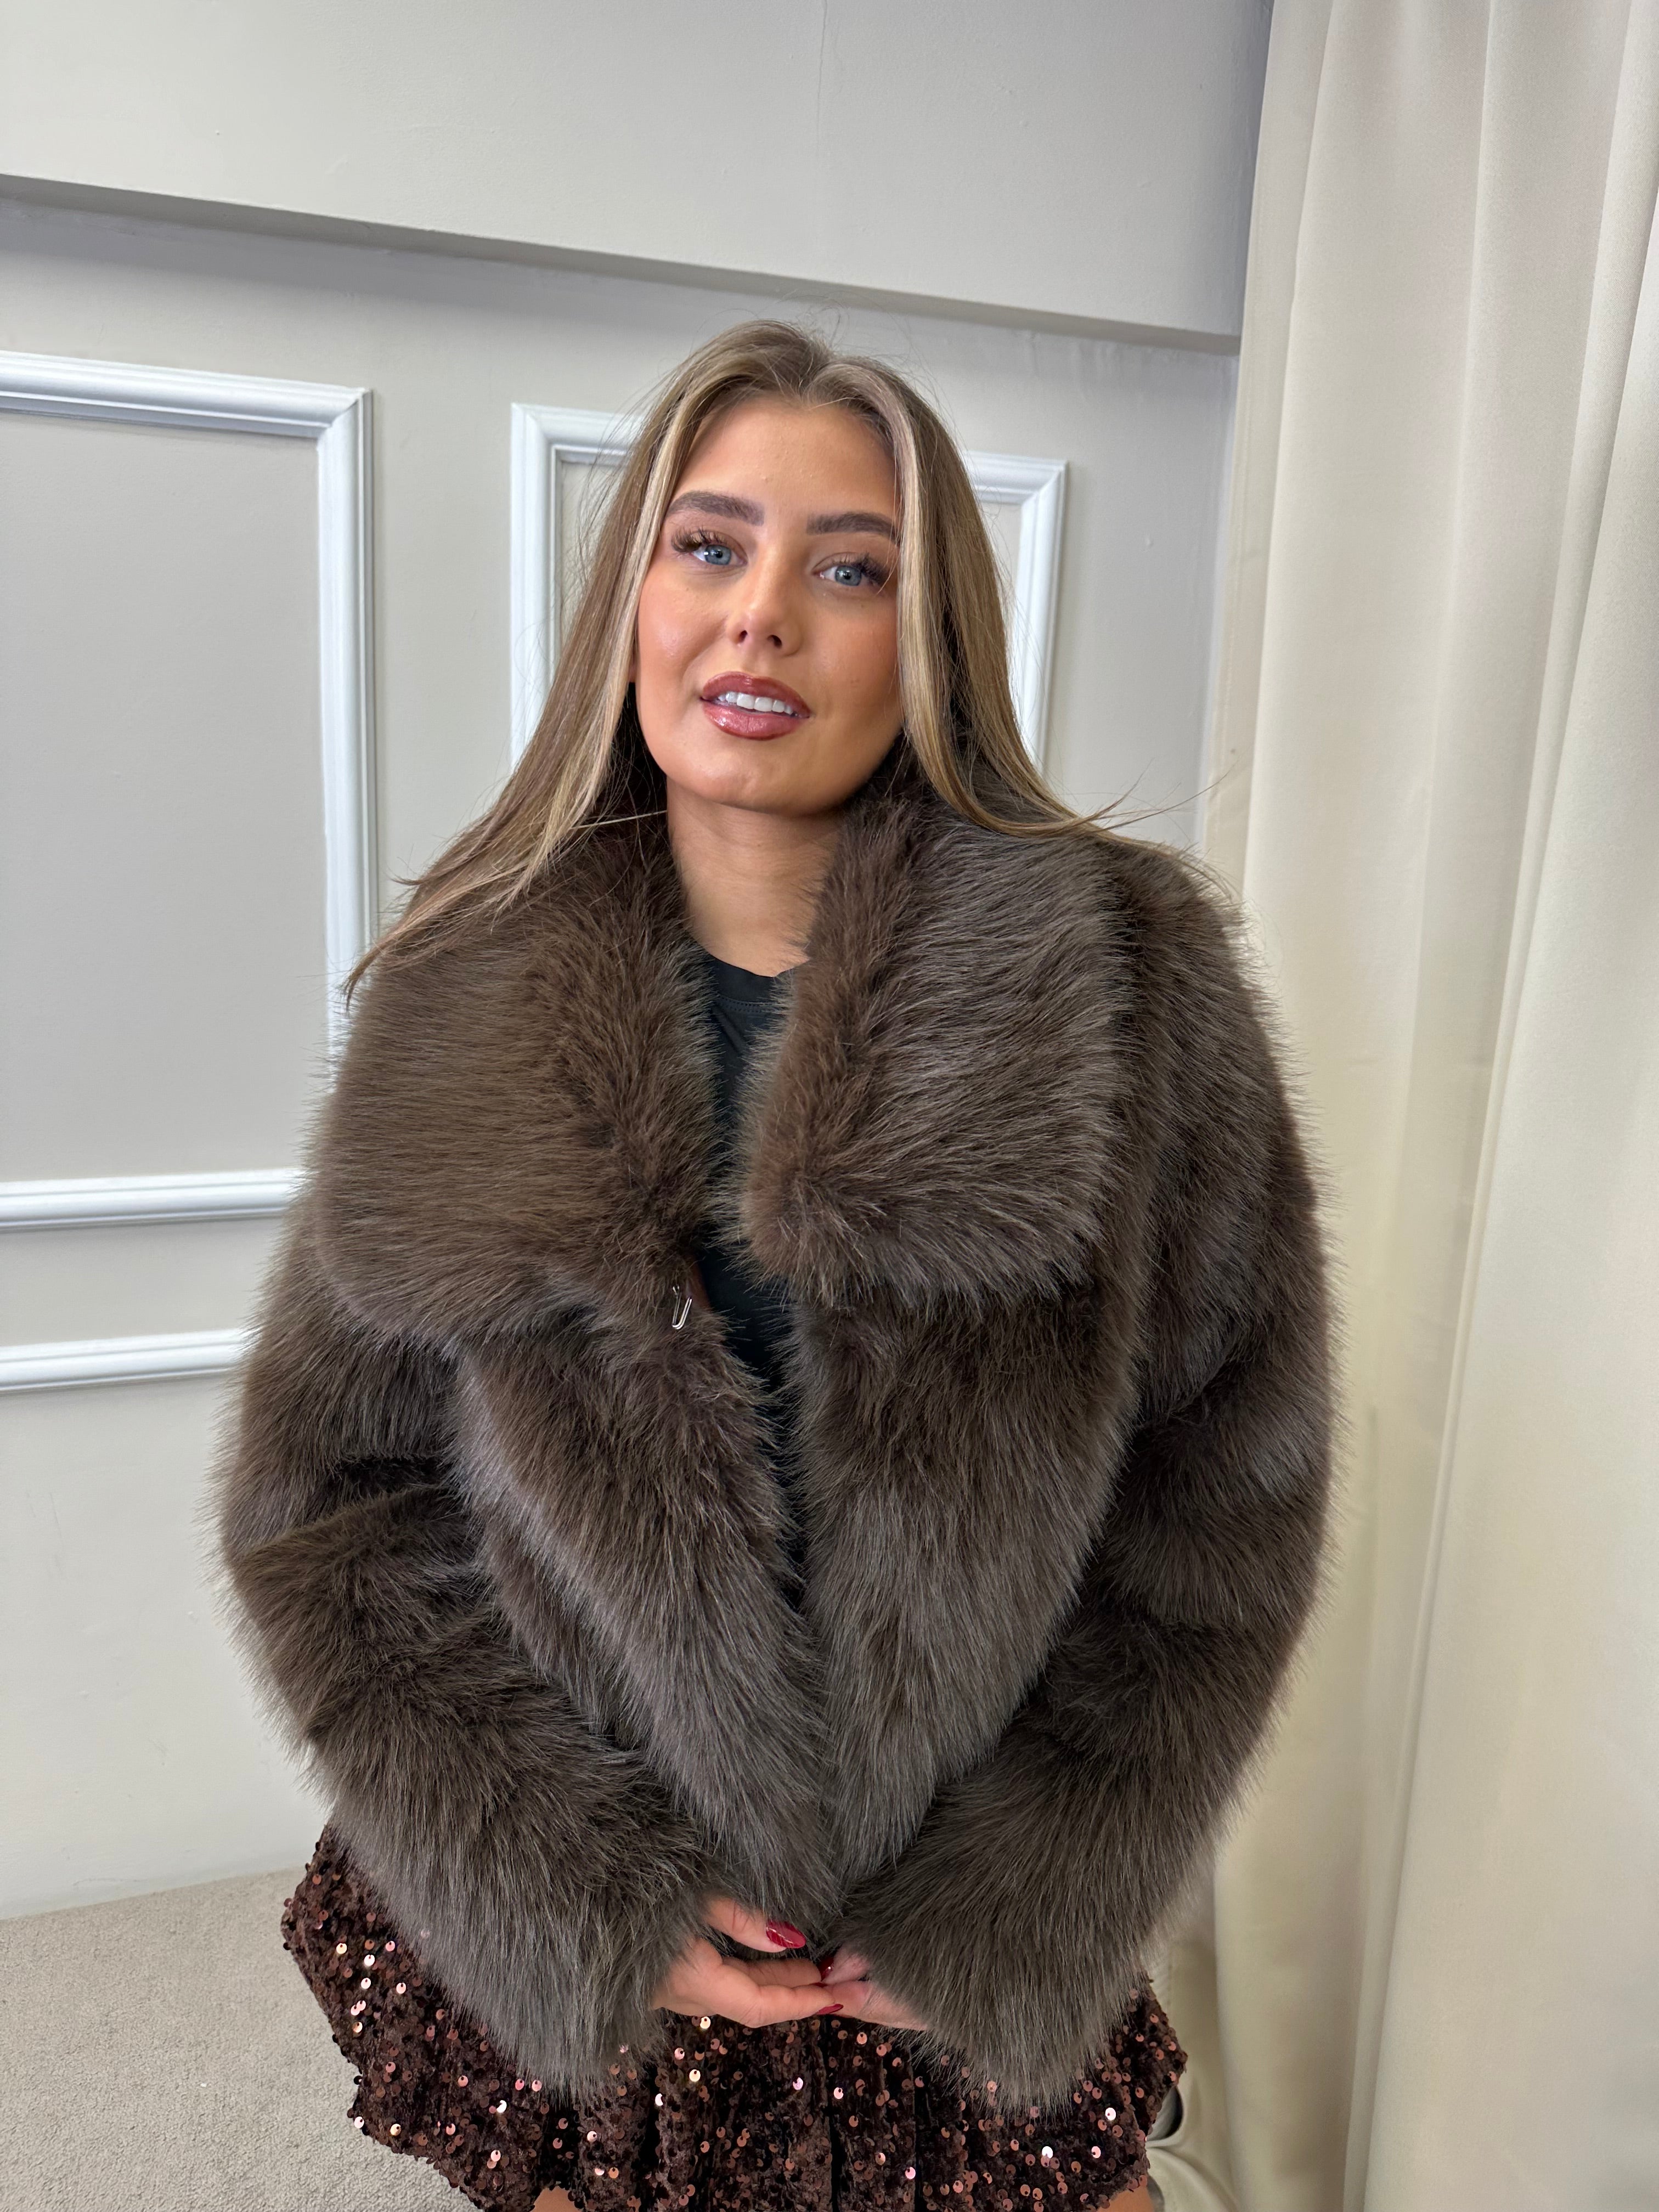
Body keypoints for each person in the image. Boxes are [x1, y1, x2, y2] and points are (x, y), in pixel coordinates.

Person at [215, 320, 1333, 2212]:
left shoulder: (1132, 979)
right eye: (710, 545)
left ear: (931, 633)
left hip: (944, 1912)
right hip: (605, 1888)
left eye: (851, 569)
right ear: (636, 594)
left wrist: (1027, 1887)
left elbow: (1228, 1485)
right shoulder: (466, 977)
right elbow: (326, 1505)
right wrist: (570, 1885)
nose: (762, 618)